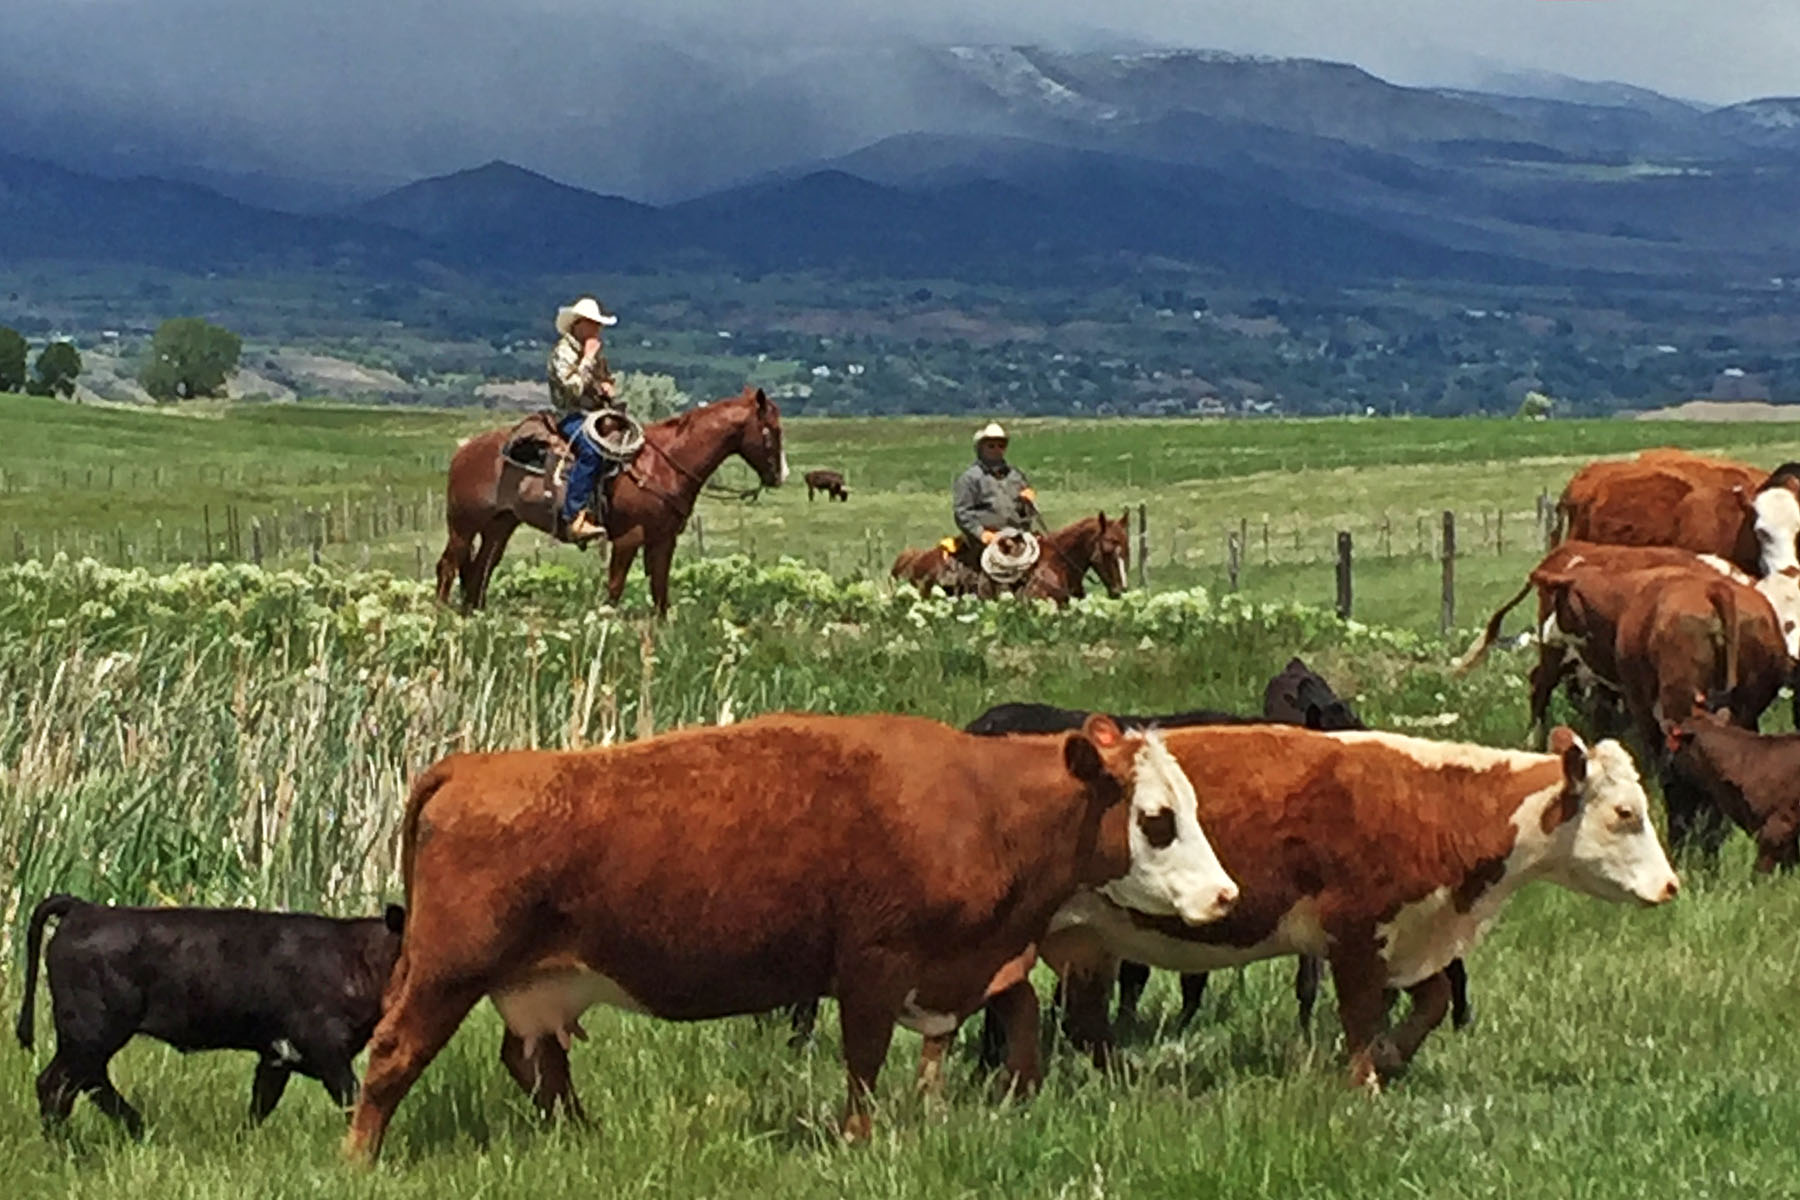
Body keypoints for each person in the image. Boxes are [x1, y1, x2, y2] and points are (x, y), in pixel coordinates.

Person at [548, 295, 622, 542]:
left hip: (596, 413)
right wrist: (588, 359)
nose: (597, 330)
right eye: (593, 324)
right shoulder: (563, 352)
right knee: (591, 450)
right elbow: (572, 389)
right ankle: (574, 515)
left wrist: (607, 386)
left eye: (598, 325)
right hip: (570, 415)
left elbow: (606, 378)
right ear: (578, 324)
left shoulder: (596, 353)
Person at [951, 422, 1037, 571]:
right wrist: (981, 533)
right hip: (986, 540)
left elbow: (1026, 514)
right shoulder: (970, 478)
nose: (996, 450)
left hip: (1017, 537)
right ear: (981, 448)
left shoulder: (1016, 476)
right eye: (991, 446)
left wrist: (1027, 503)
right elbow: (962, 512)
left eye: (1001, 446)